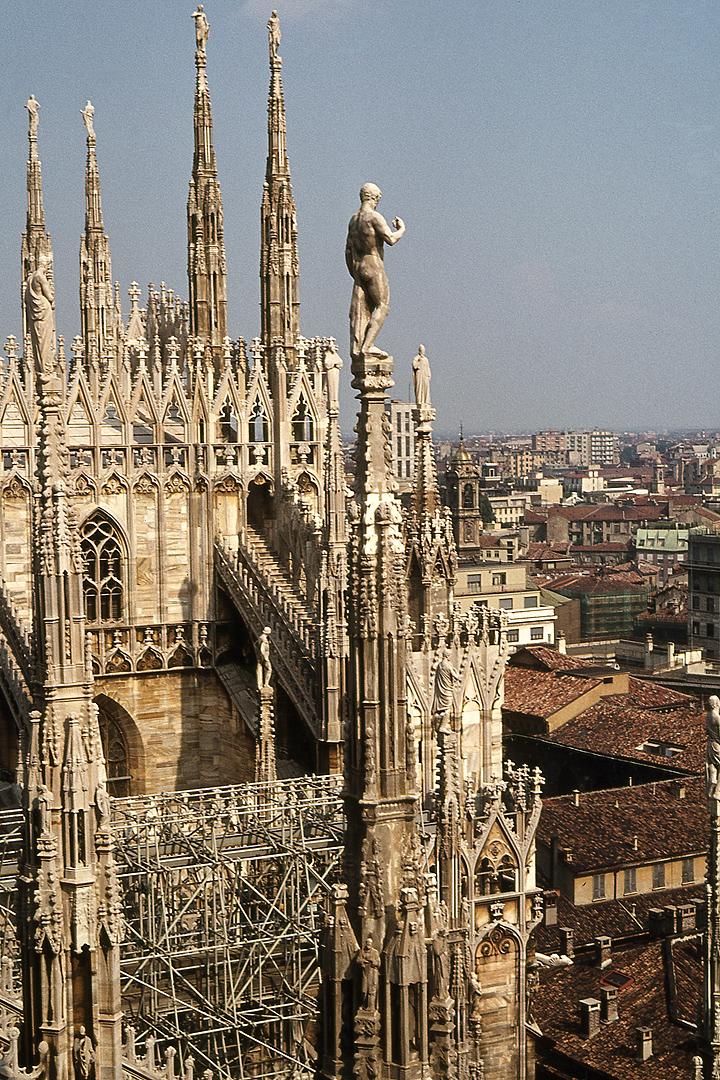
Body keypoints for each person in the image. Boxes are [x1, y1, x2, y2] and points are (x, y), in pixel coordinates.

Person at [346, 183, 404, 364]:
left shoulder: (354, 220)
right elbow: (391, 239)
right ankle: (367, 346)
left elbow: (348, 251)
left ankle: (361, 346)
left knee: (364, 310)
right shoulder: (374, 217)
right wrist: (401, 228)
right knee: (383, 306)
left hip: (359, 268)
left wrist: (356, 273)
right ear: (375, 197)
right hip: (373, 264)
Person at [25, 254, 56, 383]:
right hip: (43, 312)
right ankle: (46, 370)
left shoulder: (30, 278)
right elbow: (49, 296)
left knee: (39, 342)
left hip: (35, 313)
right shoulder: (40, 277)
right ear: (46, 265)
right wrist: (52, 301)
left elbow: (26, 298)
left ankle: (41, 369)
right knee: (45, 342)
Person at [431, 649, 461, 734]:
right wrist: (455, 670)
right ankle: (442, 727)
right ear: (447, 655)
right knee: (447, 709)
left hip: (440, 690)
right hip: (447, 691)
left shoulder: (439, 665)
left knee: (441, 710)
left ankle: (438, 726)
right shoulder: (447, 665)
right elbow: (456, 677)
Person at [357, 935, 381, 1010]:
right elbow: (358, 960)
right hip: (365, 972)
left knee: (372, 989)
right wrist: (363, 961)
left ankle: (371, 1006)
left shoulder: (375, 952)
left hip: (373, 972)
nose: (368, 945)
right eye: (367, 943)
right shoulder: (362, 951)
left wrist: (372, 960)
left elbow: (378, 963)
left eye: (370, 943)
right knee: (364, 990)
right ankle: (364, 1004)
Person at [707, 695, 720, 804]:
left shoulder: (708, 715)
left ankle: (712, 780)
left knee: (712, 764)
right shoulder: (717, 717)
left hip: (710, 744)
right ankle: (717, 792)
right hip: (717, 745)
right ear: (716, 704)